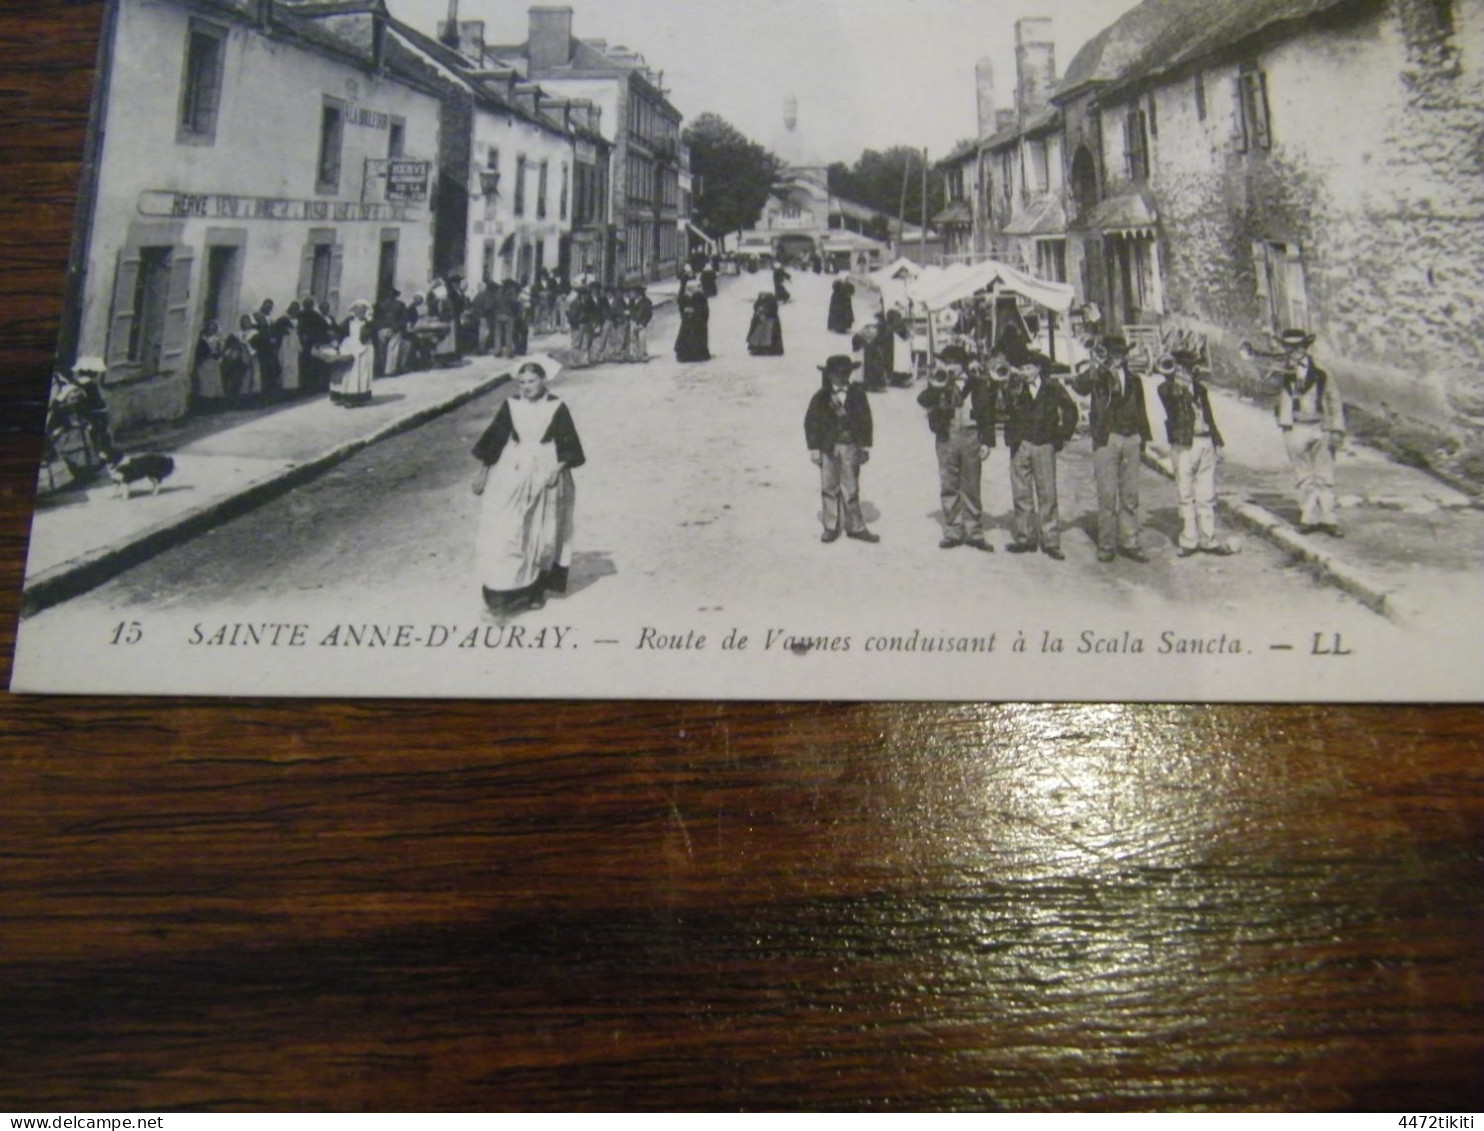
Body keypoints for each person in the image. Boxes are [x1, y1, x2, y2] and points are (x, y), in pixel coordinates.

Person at [470, 360, 585, 615]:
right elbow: (495, 440)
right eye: (521, 382)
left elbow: (570, 444)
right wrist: (483, 474)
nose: (526, 387)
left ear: (544, 381)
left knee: (540, 531)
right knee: (507, 528)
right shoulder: (511, 406)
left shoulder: (556, 407)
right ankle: (501, 590)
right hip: (512, 470)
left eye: (532, 381)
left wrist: (557, 469)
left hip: (546, 470)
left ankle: (535, 589)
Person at [1071, 333, 1153, 563]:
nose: (1119, 358)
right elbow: (1079, 386)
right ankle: (1107, 545)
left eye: (1122, 354)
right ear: (1107, 356)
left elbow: (1141, 409)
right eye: (1114, 354)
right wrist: (1095, 367)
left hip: (1131, 438)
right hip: (1107, 439)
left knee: (1130, 495)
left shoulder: (1134, 379)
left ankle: (1130, 542)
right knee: (1107, 495)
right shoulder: (1098, 377)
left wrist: (1143, 439)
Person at [917, 347, 997, 551]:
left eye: (955, 363)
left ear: (963, 365)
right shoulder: (940, 381)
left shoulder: (976, 382)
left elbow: (988, 411)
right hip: (947, 436)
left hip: (971, 436)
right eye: (947, 362)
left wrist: (987, 441)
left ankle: (974, 532)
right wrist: (937, 387)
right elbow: (923, 400)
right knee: (949, 484)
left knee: (972, 485)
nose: (951, 367)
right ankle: (952, 530)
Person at [1159, 349, 1235, 557]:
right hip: (1184, 445)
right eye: (1182, 367)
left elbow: (1209, 415)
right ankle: (1189, 540)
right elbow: (1171, 404)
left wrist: (1217, 441)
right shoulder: (1166, 388)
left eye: (1189, 367)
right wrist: (1179, 384)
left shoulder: (1200, 388)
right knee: (1185, 494)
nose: (1186, 371)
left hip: (1205, 442)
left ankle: (1208, 539)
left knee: (1206, 495)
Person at [1271, 329, 1346, 537]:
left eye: (1297, 347)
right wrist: (1282, 373)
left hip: (1320, 426)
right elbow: (1265, 390)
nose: (1293, 351)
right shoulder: (1281, 371)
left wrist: (1337, 428)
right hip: (1294, 426)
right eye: (1288, 347)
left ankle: (1329, 519)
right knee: (1303, 475)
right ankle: (1308, 518)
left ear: (1305, 347)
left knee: (1324, 475)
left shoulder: (1322, 371)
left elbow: (1334, 399)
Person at [1003, 360, 1079, 560]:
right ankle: (1025, 538)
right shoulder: (1014, 386)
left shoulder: (1053, 387)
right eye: (1022, 367)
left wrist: (1062, 434)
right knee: (1021, 493)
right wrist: (1011, 387)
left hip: (1045, 444)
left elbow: (1071, 409)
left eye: (1028, 368)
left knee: (1047, 493)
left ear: (1038, 368)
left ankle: (1050, 541)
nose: (1025, 372)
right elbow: (1002, 408)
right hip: (1021, 444)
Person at [804, 354, 878, 544]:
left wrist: (864, 446)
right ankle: (831, 526)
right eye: (837, 374)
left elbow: (865, 421)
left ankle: (855, 527)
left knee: (851, 487)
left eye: (846, 373)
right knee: (829, 487)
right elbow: (811, 423)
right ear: (829, 376)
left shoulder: (858, 395)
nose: (842, 377)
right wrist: (813, 448)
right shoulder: (820, 397)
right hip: (828, 447)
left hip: (850, 446)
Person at [331, 300, 375, 407]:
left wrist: (368, 322)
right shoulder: (348, 321)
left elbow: (368, 334)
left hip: (363, 348)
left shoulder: (368, 322)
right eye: (357, 309)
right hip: (349, 347)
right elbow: (340, 331)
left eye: (362, 309)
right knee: (346, 372)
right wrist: (336, 339)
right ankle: (342, 395)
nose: (359, 311)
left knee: (358, 373)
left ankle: (355, 398)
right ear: (353, 310)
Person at [674, 280, 711, 362]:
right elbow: (680, 304)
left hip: (695, 323)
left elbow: (704, 312)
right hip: (689, 323)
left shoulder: (700, 298)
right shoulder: (686, 299)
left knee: (694, 339)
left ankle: (694, 354)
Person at [192, 319, 225, 409]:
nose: (211, 330)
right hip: (204, 363)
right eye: (209, 328)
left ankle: (212, 405)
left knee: (213, 383)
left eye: (213, 329)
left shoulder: (216, 340)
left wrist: (218, 356)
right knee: (203, 383)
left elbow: (220, 351)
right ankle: (203, 404)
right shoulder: (202, 339)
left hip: (213, 363)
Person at [746, 291, 784, 356]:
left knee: (768, 335)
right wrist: (759, 312)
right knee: (757, 334)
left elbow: (772, 310)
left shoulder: (771, 301)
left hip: (769, 321)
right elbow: (756, 307)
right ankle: (757, 348)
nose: (762, 295)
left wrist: (764, 313)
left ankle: (769, 349)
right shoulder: (760, 301)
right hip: (760, 321)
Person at [627, 285, 653, 362]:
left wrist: (643, 323)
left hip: (641, 323)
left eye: (633, 292)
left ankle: (643, 355)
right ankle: (635, 355)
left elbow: (649, 314)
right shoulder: (631, 301)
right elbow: (630, 311)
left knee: (642, 339)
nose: (631, 294)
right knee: (633, 339)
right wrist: (631, 319)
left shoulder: (647, 301)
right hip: (633, 322)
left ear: (638, 293)